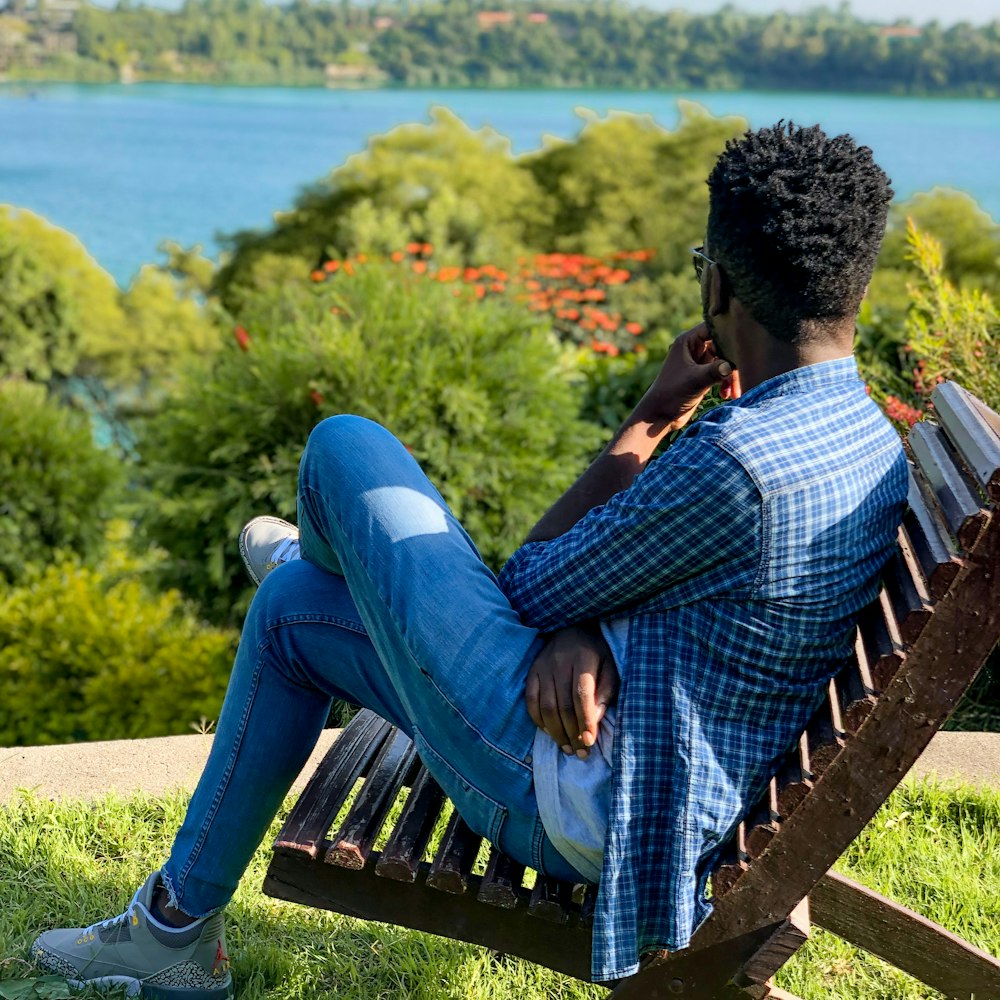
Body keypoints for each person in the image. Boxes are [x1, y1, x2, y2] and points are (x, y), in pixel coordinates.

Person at [31, 121, 909, 996]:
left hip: (585, 791)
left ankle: (344, 564)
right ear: (852, 284)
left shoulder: (738, 465)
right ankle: (172, 931)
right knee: (293, 609)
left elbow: (527, 586)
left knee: (343, 446)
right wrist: (590, 630)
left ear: (715, 283)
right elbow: (702, 596)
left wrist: (643, 431)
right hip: (653, 747)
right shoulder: (860, 436)